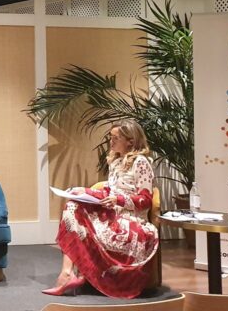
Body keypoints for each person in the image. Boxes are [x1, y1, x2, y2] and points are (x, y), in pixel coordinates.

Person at [43, 119, 159, 298]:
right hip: (112, 213)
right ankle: (67, 273)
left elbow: (146, 200)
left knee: (79, 218)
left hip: (131, 219)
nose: (111, 142)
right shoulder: (116, 161)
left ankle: (70, 275)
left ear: (130, 141)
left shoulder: (141, 162)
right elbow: (109, 191)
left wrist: (118, 200)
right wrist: (84, 191)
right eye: (110, 137)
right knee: (72, 206)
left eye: (116, 138)